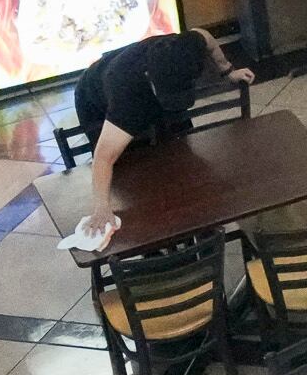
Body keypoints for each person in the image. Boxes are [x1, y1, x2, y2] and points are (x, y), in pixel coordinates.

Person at [68, 27, 252, 251]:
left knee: (184, 157)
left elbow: (205, 36)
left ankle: (204, 232)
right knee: (133, 178)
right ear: (151, 81)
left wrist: (227, 70)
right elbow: (104, 158)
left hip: (147, 82)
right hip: (96, 98)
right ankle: (152, 251)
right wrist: (102, 207)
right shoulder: (126, 95)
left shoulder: (186, 48)